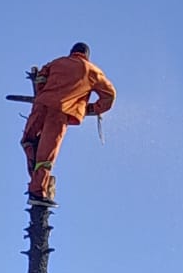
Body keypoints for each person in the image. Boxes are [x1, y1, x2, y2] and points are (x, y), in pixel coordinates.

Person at [21, 42, 116, 205]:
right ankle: (38, 192)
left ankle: (35, 181)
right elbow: (110, 95)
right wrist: (91, 108)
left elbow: (41, 77)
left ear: (72, 52)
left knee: (28, 140)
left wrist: (42, 91)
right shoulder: (92, 71)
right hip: (60, 112)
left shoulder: (57, 62)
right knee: (46, 155)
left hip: (41, 105)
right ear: (86, 55)